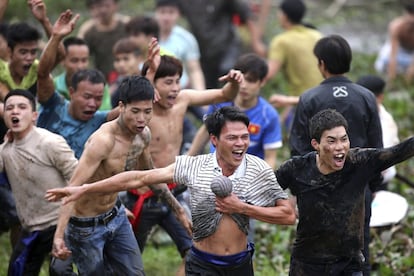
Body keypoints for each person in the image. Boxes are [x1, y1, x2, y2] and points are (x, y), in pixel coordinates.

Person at [45, 105, 296, 275]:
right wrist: (84, 188)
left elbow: (287, 215)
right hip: (202, 262)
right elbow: (139, 177)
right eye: (233, 138)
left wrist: (241, 208)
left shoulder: (257, 168)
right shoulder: (195, 166)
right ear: (214, 140)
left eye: (244, 137)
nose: (241, 144)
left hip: (239, 263)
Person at [122, 55, 244, 275]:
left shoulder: (183, 99)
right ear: (152, 85)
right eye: (168, 82)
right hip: (142, 195)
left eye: (178, 81)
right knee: (127, 262)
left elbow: (225, 94)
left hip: (176, 191)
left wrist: (234, 82)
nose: (175, 88)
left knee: (194, 250)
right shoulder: (139, 115)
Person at [276, 108, 414, 275]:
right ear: (316, 144)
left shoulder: (359, 162)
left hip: (349, 264)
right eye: (332, 141)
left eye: (344, 139)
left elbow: (399, 152)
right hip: (307, 264)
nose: (340, 147)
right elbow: (264, 191)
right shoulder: (297, 169)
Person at [289, 34, 384, 275]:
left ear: (321, 64)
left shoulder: (309, 98)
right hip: (356, 189)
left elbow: (298, 150)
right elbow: (376, 149)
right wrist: (372, 186)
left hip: (317, 191)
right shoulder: (366, 97)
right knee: (358, 250)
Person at [1, 89, 78, 275]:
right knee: (17, 271)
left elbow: (79, 177)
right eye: (10, 108)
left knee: (60, 272)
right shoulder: (6, 150)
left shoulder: (50, 142)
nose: (15, 112)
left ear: (34, 115)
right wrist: (4, 143)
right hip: (32, 228)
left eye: (22, 107)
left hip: (61, 223)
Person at [36, 10, 118, 159]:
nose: (93, 104)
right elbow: (42, 74)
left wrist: (149, 78)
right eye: (87, 97)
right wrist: (56, 37)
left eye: (98, 98)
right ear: (72, 92)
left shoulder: (100, 120)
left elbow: (130, 110)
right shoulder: (54, 105)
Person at [176, 0, 266, 89]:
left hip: (226, 47)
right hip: (203, 50)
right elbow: (169, 9)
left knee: (228, 74)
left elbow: (247, 14)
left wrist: (256, 42)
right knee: (207, 87)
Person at [266, 0, 323, 130]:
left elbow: (268, 73)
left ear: (284, 16)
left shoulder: (281, 41)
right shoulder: (317, 35)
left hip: (302, 105)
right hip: (323, 100)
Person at [356, 75, 400, 189]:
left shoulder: (386, 122)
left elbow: (382, 156)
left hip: (377, 181)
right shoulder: (358, 113)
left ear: (380, 98)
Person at [53, 36, 112, 110]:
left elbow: (104, 113)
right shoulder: (53, 85)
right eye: (74, 61)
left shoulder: (100, 85)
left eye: (84, 60)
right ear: (62, 61)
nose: (80, 66)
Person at [78, 0, 129, 83]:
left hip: (127, 76)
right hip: (102, 80)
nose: (103, 10)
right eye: (100, 6)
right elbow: (80, 54)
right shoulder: (88, 30)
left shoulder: (126, 24)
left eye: (107, 5)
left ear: (115, 6)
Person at [374, 0, 414, 85]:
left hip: (411, 52)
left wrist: (408, 82)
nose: (412, 19)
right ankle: (390, 79)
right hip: (399, 49)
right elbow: (393, 55)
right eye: (410, 14)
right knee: (381, 65)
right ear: (405, 13)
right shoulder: (396, 26)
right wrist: (392, 80)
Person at [110, 37, 144, 108]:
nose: (121, 65)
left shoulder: (149, 82)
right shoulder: (113, 88)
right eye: (117, 60)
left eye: (126, 59)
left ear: (139, 58)